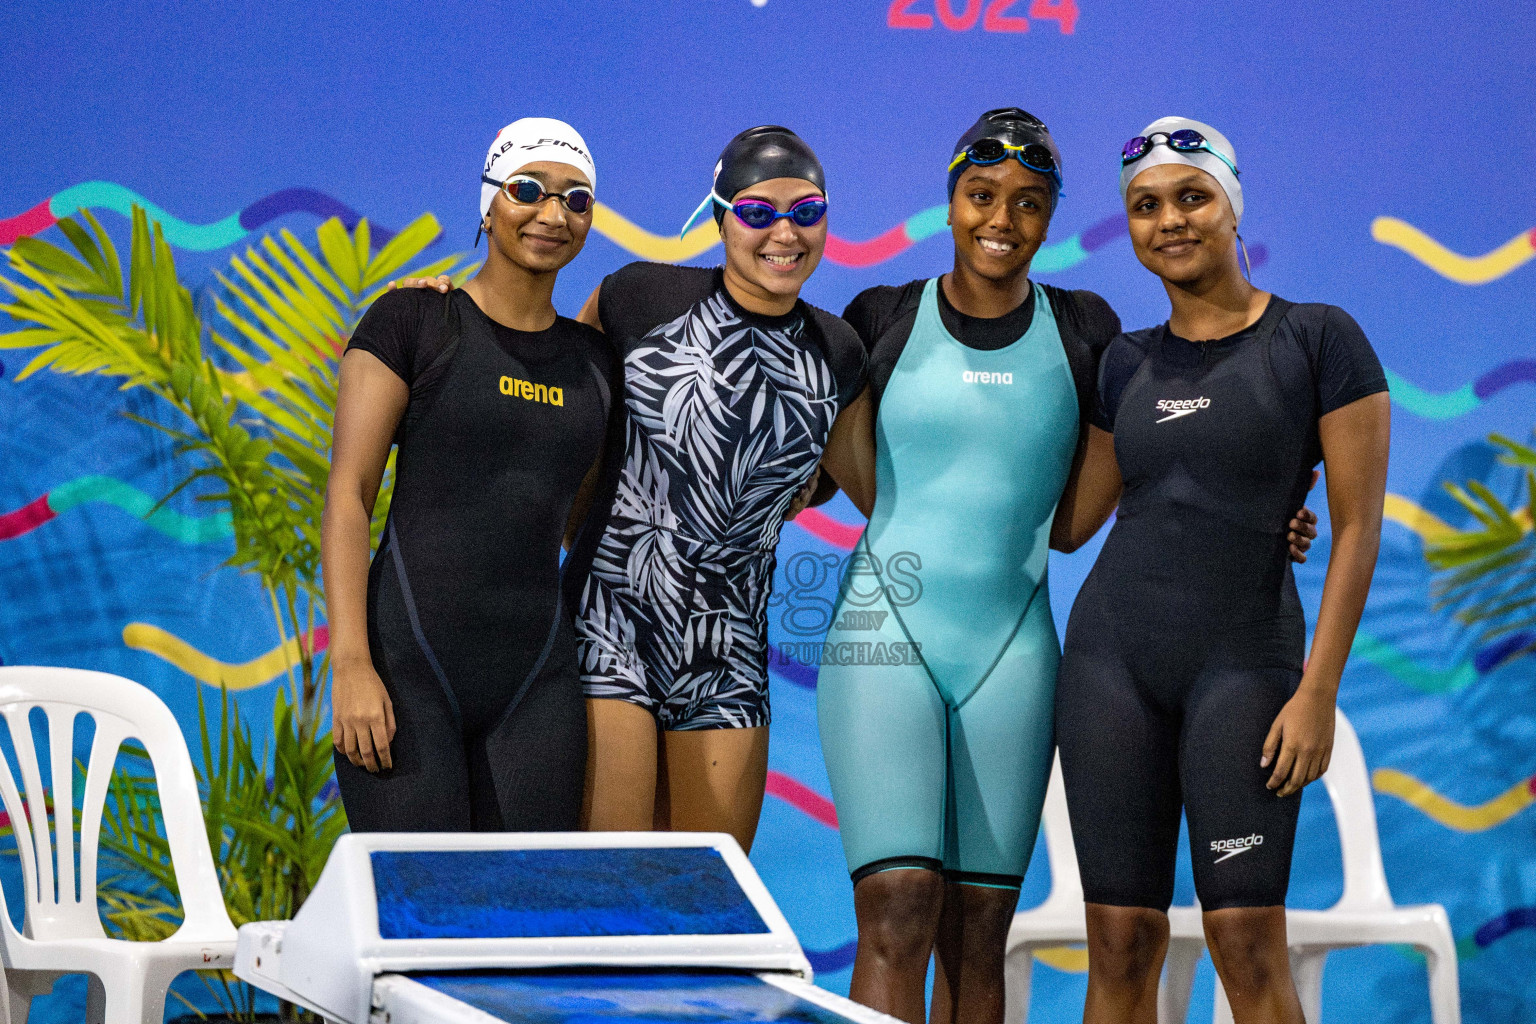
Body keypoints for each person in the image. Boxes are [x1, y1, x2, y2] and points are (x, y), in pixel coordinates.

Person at [814, 109, 1319, 1024]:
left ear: (1051, 219)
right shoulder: (880, 317)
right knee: (894, 914)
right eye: (981, 195)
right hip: (882, 636)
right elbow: (841, 476)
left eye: (1029, 203)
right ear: (951, 200)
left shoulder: (1091, 336)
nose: (1000, 218)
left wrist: (1262, 518)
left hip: (1013, 649)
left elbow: (1089, 517)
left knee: (979, 930)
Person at [1051, 117, 1390, 1024]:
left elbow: (1359, 526)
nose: (1171, 221)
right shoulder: (1123, 361)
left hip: (1244, 665)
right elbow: (1071, 524)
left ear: (1233, 208)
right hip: (1109, 663)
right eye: (1146, 206)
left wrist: (1318, 691)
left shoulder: (1318, 341)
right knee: (1118, 945)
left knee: (1246, 941)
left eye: (1192, 197)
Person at [322, 118, 612, 832]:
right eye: (528, 190)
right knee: (425, 929)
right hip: (407, 670)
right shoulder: (413, 320)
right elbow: (349, 494)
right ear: (489, 201)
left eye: (575, 200)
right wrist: (352, 662)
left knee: (531, 931)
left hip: (536, 685)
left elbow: (581, 513)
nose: (552, 214)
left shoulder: (595, 363)